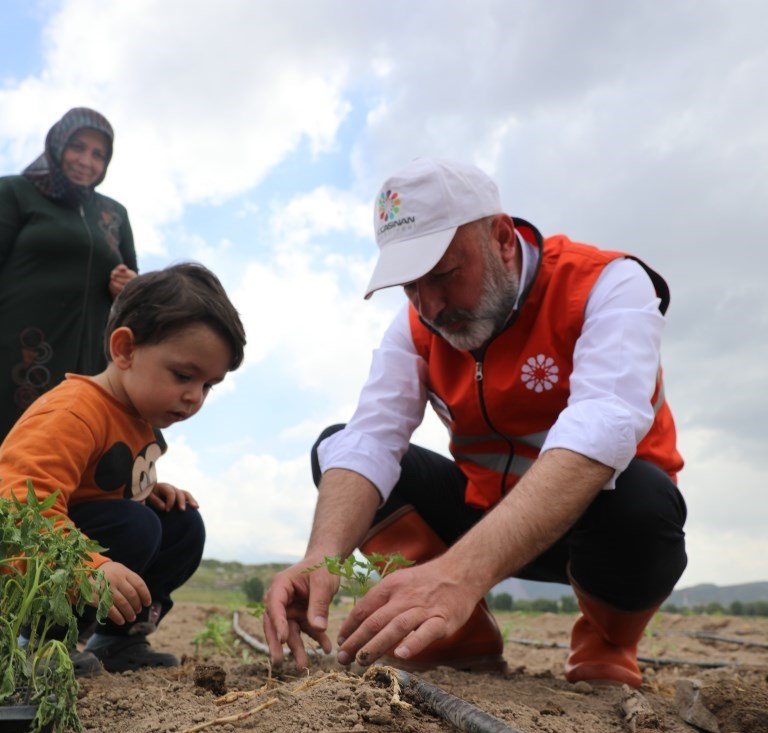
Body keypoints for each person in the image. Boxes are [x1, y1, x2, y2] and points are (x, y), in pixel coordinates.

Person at [265, 157, 687, 688]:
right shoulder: (417, 326)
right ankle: (455, 638)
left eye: (444, 275)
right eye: (410, 287)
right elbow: (371, 436)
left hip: (594, 526)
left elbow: (599, 430)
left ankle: (607, 640)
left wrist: (457, 575)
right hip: (481, 514)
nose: (431, 306)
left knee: (643, 500)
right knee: (338, 449)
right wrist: (320, 558)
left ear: (502, 238)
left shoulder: (608, 284)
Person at [0, 263, 246, 674]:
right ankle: (34, 640)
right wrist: (90, 568)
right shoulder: (72, 412)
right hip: (26, 569)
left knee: (181, 524)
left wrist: (146, 491)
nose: (194, 397)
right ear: (126, 349)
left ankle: (119, 640)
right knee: (136, 526)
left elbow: (97, 491)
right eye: (183, 375)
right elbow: (18, 511)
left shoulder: (140, 417)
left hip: (77, 548)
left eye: (207, 385)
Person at [0, 107, 138, 441]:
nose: (86, 161)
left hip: (88, 361)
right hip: (18, 350)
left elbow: (137, 292)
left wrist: (128, 286)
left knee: (65, 444)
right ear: (58, 144)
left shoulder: (115, 214)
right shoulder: (16, 191)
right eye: (78, 147)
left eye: (98, 154)